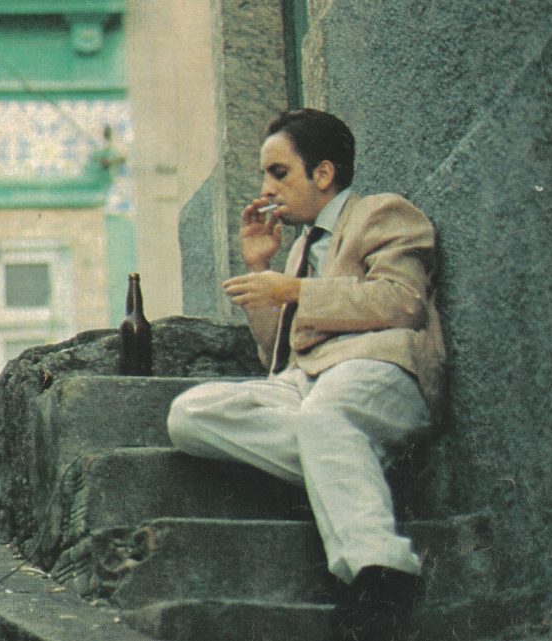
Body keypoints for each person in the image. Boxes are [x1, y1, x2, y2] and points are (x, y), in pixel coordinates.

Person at [166, 109, 445, 641]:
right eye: (264, 175)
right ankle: (354, 457)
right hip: (307, 383)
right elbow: (276, 352)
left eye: (279, 173)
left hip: (377, 367)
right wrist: (259, 266)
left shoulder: (383, 213)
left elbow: (401, 301)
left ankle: (381, 573)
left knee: (324, 417)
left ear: (323, 173)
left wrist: (293, 290)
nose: (266, 189)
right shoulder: (297, 249)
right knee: (189, 415)